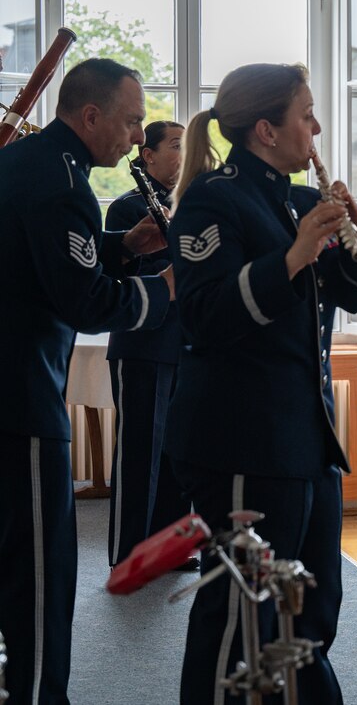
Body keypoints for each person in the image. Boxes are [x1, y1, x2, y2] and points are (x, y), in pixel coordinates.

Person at [166, 62, 357, 705]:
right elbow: (205, 318)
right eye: (306, 115)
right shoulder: (214, 200)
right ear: (266, 129)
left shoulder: (296, 199)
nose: (317, 129)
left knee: (311, 608)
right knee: (241, 617)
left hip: (305, 440)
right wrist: (293, 255)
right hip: (241, 440)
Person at [0, 58, 174, 705]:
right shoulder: (59, 183)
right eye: (131, 121)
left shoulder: (28, 162)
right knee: (42, 577)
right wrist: (164, 294)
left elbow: (40, 258)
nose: (137, 137)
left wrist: (123, 246)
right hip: (22, 402)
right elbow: (86, 302)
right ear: (91, 115)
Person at [105, 120, 193, 568]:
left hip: (188, 346)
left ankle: (173, 550)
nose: (183, 153)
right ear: (148, 156)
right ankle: (129, 554)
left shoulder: (194, 205)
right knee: (140, 452)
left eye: (187, 145)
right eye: (175, 145)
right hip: (142, 343)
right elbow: (127, 278)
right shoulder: (126, 209)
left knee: (181, 453)